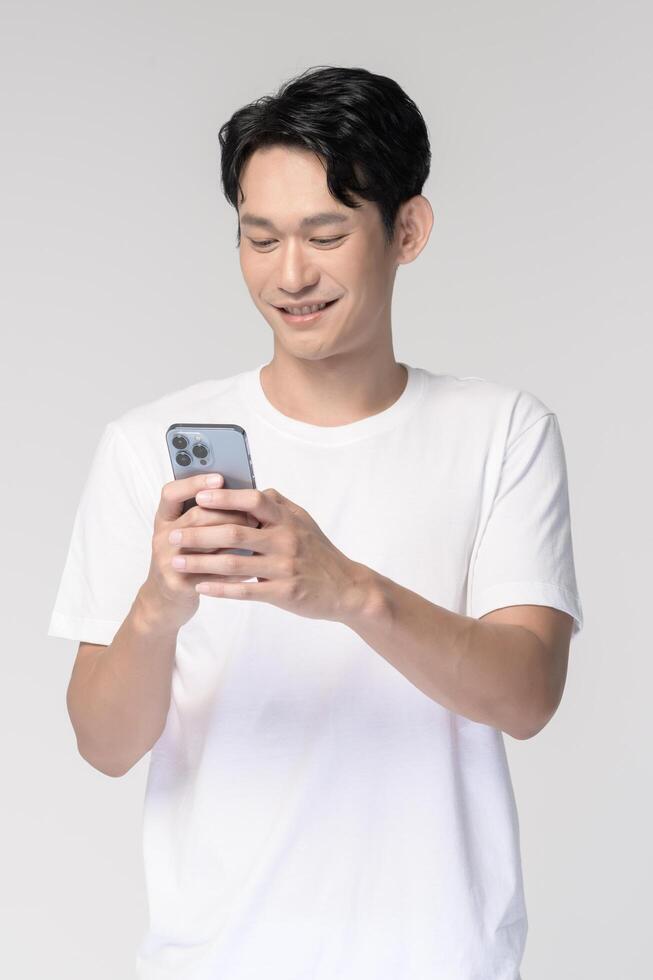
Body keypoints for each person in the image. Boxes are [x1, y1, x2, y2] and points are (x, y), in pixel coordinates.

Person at [48, 65, 583, 980]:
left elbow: (526, 695)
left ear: (406, 231)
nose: (289, 274)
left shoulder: (501, 431)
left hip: (440, 959)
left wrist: (346, 590)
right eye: (259, 238)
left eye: (325, 234)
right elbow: (103, 746)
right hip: (213, 961)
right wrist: (155, 613)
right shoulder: (145, 448)